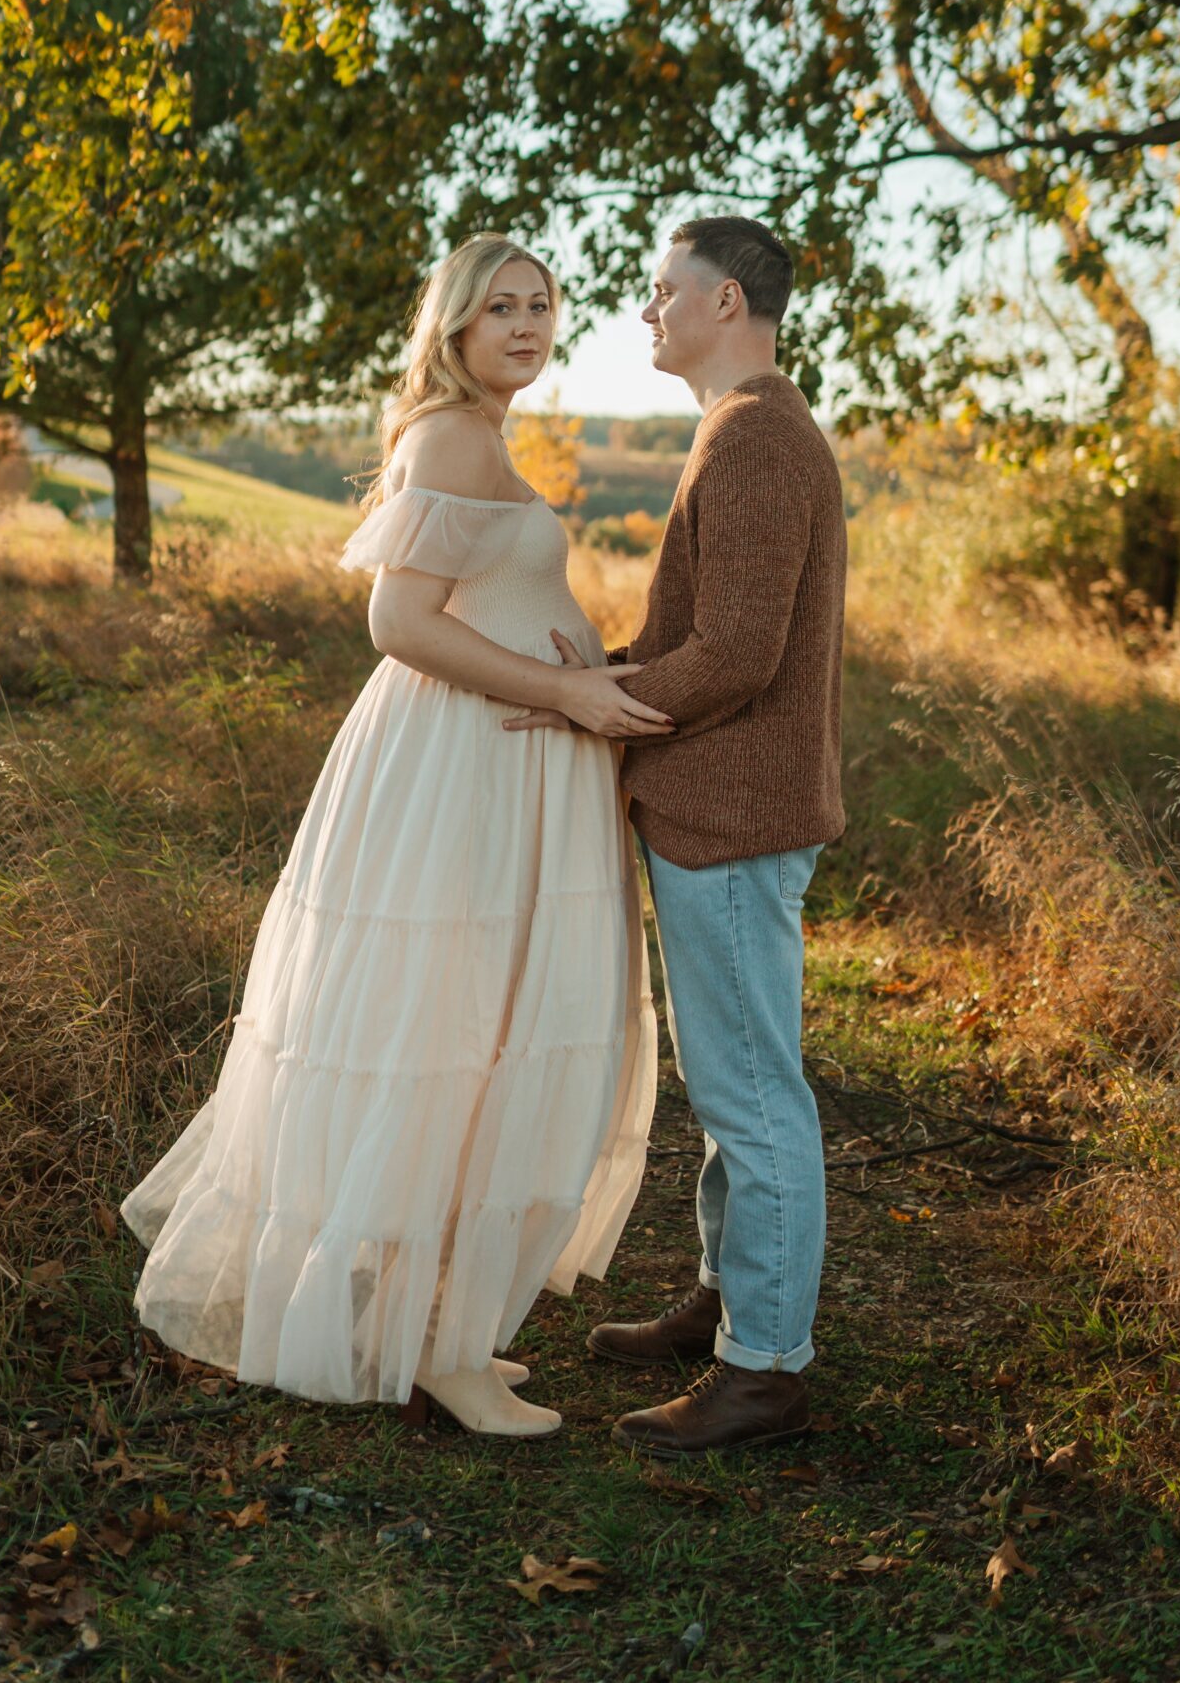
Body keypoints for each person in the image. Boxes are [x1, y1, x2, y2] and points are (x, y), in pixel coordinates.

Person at [122, 234, 660, 1437]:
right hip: (465, 767)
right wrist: (564, 688)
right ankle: (432, 1342)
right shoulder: (453, 434)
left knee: (484, 1029)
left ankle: (437, 1324)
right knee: (453, 1032)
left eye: (541, 305)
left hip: (504, 765)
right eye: (500, 306)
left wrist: (587, 678)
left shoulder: (484, 435)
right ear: (455, 323)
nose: (526, 324)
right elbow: (398, 620)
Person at [512, 215, 846, 1455]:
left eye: (663, 291)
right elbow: (705, 634)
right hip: (723, 809)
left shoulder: (755, 436)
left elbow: (740, 653)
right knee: (732, 1083)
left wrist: (601, 705)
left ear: (727, 303)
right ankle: (728, 1303)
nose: (646, 311)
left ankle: (765, 1368)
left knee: (753, 1095)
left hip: (736, 817)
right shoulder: (744, 426)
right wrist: (595, 672)